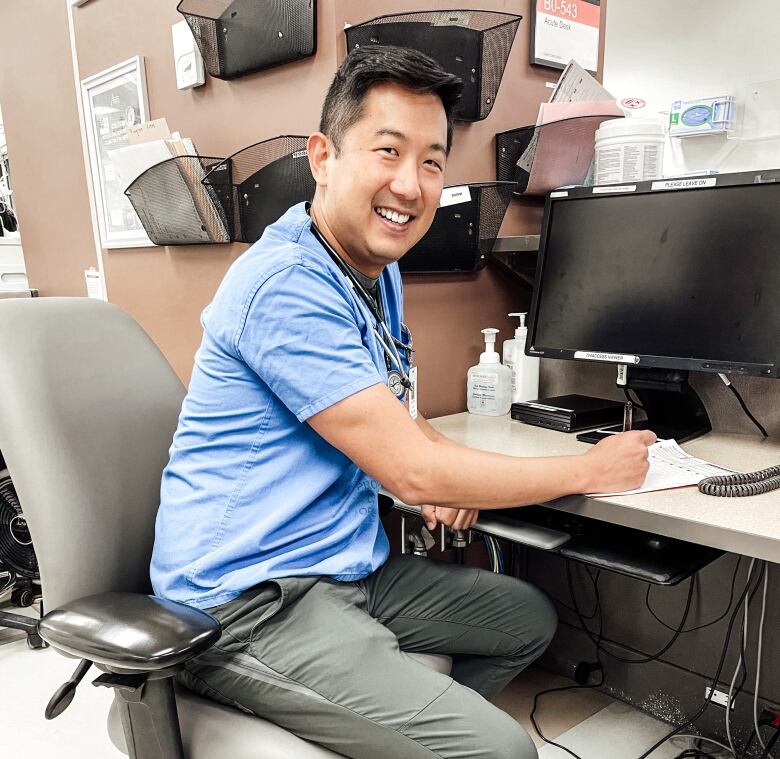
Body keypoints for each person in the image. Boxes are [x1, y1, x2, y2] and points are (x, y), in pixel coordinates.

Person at [150, 45, 655, 759]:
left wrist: (443, 469)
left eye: (431, 161)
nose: (412, 185)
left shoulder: (373, 271)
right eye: (388, 150)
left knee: (527, 619)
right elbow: (414, 471)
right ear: (323, 157)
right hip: (248, 602)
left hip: (346, 565)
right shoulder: (286, 284)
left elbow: (402, 428)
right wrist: (588, 470)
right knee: (504, 751)